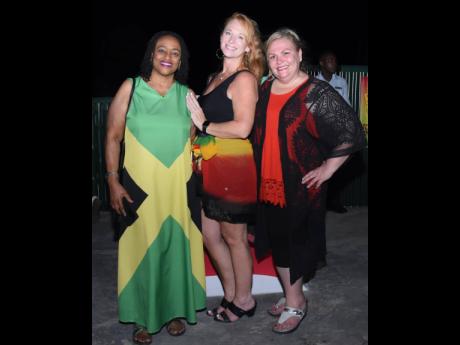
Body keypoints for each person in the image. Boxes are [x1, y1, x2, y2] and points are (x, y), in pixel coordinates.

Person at [251, 28, 366, 334]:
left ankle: (296, 302)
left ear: (300, 54)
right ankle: (291, 293)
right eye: (272, 56)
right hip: (269, 181)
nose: (279, 61)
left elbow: (352, 131)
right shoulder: (265, 88)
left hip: (299, 184)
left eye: (286, 53)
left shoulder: (315, 92)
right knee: (278, 241)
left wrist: (329, 168)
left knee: (294, 244)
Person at [105, 31, 206, 345]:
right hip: (139, 188)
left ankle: (175, 311)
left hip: (177, 188)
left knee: (176, 248)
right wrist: (112, 180)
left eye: (175, 53)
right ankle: (142, 319)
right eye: (162, 50)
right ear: (151, 54)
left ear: (180, 60)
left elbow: (194, 139)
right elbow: (113, 137)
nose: (168, 56)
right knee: (141, 252)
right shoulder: (131, 87)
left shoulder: (187, 94)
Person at [185, 12, 265, 323]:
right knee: (210, 234)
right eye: (228, 33)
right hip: (210, 165)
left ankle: (244, 300)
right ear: (221, 38)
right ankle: (231, 293)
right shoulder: (213, 78)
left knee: (234, 236)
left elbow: (243, 127)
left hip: (234, 166)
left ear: (248, 47)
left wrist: (203, 122)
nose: (231, 40)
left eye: (239, 37)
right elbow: (199, 124)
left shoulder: (244, 78)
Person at [317, 50, 351, 215]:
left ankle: (335, 201)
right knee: (320, 166)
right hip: (320, 132)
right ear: (322, 63)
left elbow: (346, 105)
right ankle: (320, 203)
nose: (333, 62)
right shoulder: (314, 81)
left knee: (337, 167)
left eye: (334, 60)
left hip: (337, 132)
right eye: (329, 59)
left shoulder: (342, 82)